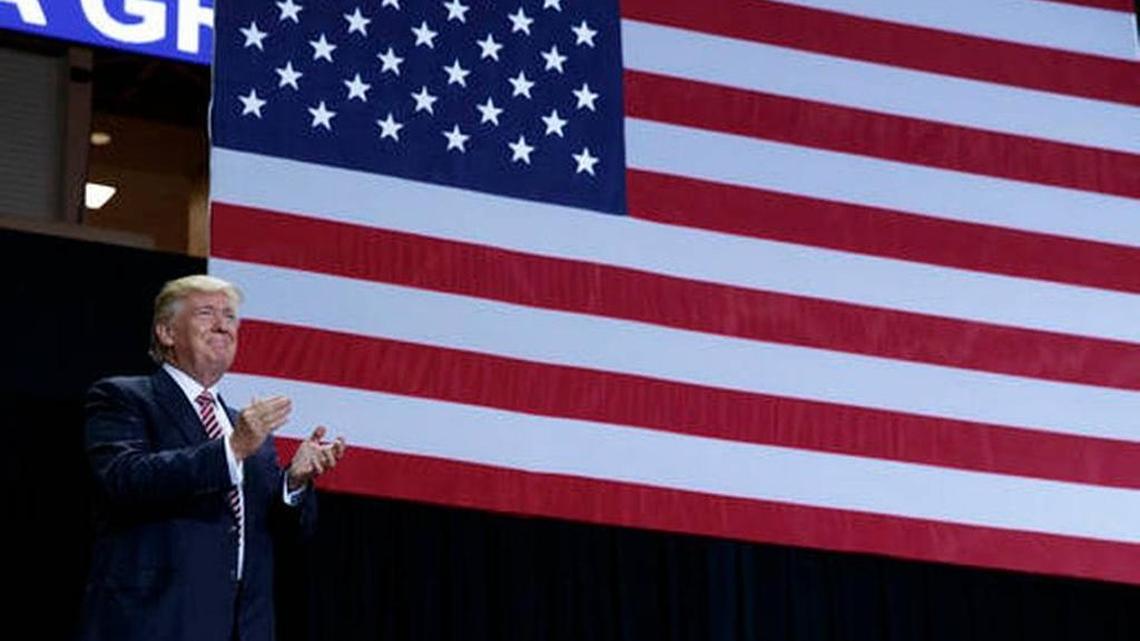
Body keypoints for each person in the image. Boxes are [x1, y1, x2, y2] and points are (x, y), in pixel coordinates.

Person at [77, 274, 346, 641]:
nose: (222, 324)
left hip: (242, 626)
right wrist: (232, 449)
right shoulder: (123, 398)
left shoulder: (243, 426)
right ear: (166, 333)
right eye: (206, 313)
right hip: (156, 621)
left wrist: (294, 482)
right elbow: (126, 479)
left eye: (230, 316)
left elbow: (278, 534)